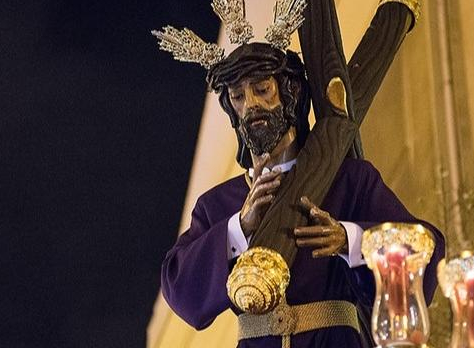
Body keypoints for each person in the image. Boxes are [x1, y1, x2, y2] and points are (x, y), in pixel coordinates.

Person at [158, 42, 446, 347]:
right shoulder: (219, 204)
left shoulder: (347, 180)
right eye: (238, 96)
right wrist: (238, 229)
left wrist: (350, 240)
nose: (251, 105)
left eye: (262, 89)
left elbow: (425, 247)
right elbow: (180, 288)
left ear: (290, 93)